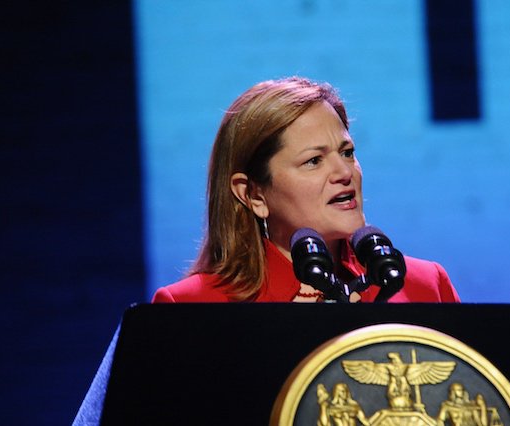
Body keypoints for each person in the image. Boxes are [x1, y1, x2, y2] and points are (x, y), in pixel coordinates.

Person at [152, 76, 459, 303]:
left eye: (347, 153)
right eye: (313, 161)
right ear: (253, 195)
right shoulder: (191, 306)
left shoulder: (425, 287)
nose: (344, 173)